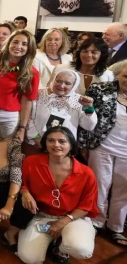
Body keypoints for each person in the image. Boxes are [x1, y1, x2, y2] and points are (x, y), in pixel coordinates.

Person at [14, 127, 98, 263]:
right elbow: (21, 183)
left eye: (62, 141)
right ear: (45, 143)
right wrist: (24, 192)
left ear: (71, 145)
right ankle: (50, 238)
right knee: (29, 258)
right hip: (40, 216)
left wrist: (62, 222)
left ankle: (61, 247)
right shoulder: (31, 162)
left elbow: (87, 205)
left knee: (81, 249)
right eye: (51, 140)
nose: (56, 145)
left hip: (73, 218)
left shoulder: (86, 173)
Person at [80, 61, 127, 246]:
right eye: (126, 76)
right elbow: (86, 116)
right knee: (100, 186)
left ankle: (116, 227)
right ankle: (96, 222)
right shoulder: (101, 90)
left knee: (123, 191)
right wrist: (83, 144)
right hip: (102, 146)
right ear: (117, 75)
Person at [0, 29, 39, 139]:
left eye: (24, 44)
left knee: (7, 150)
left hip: (9, 116)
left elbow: (27, 101)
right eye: (15, 42)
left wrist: (22, 128)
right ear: (9, 42)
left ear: (29, 48)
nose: (18, 46)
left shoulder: (32, 72)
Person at [27, 69, 96, 146]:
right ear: (54, 80)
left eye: (67, 83)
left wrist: (88, 108)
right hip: (35, 144)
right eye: (59, 81)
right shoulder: (40, 94)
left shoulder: (79, 100)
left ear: (74, 85)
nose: (61, 85)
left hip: (63, 148)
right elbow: (28, 117)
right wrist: (36, 137)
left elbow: (89, 126)